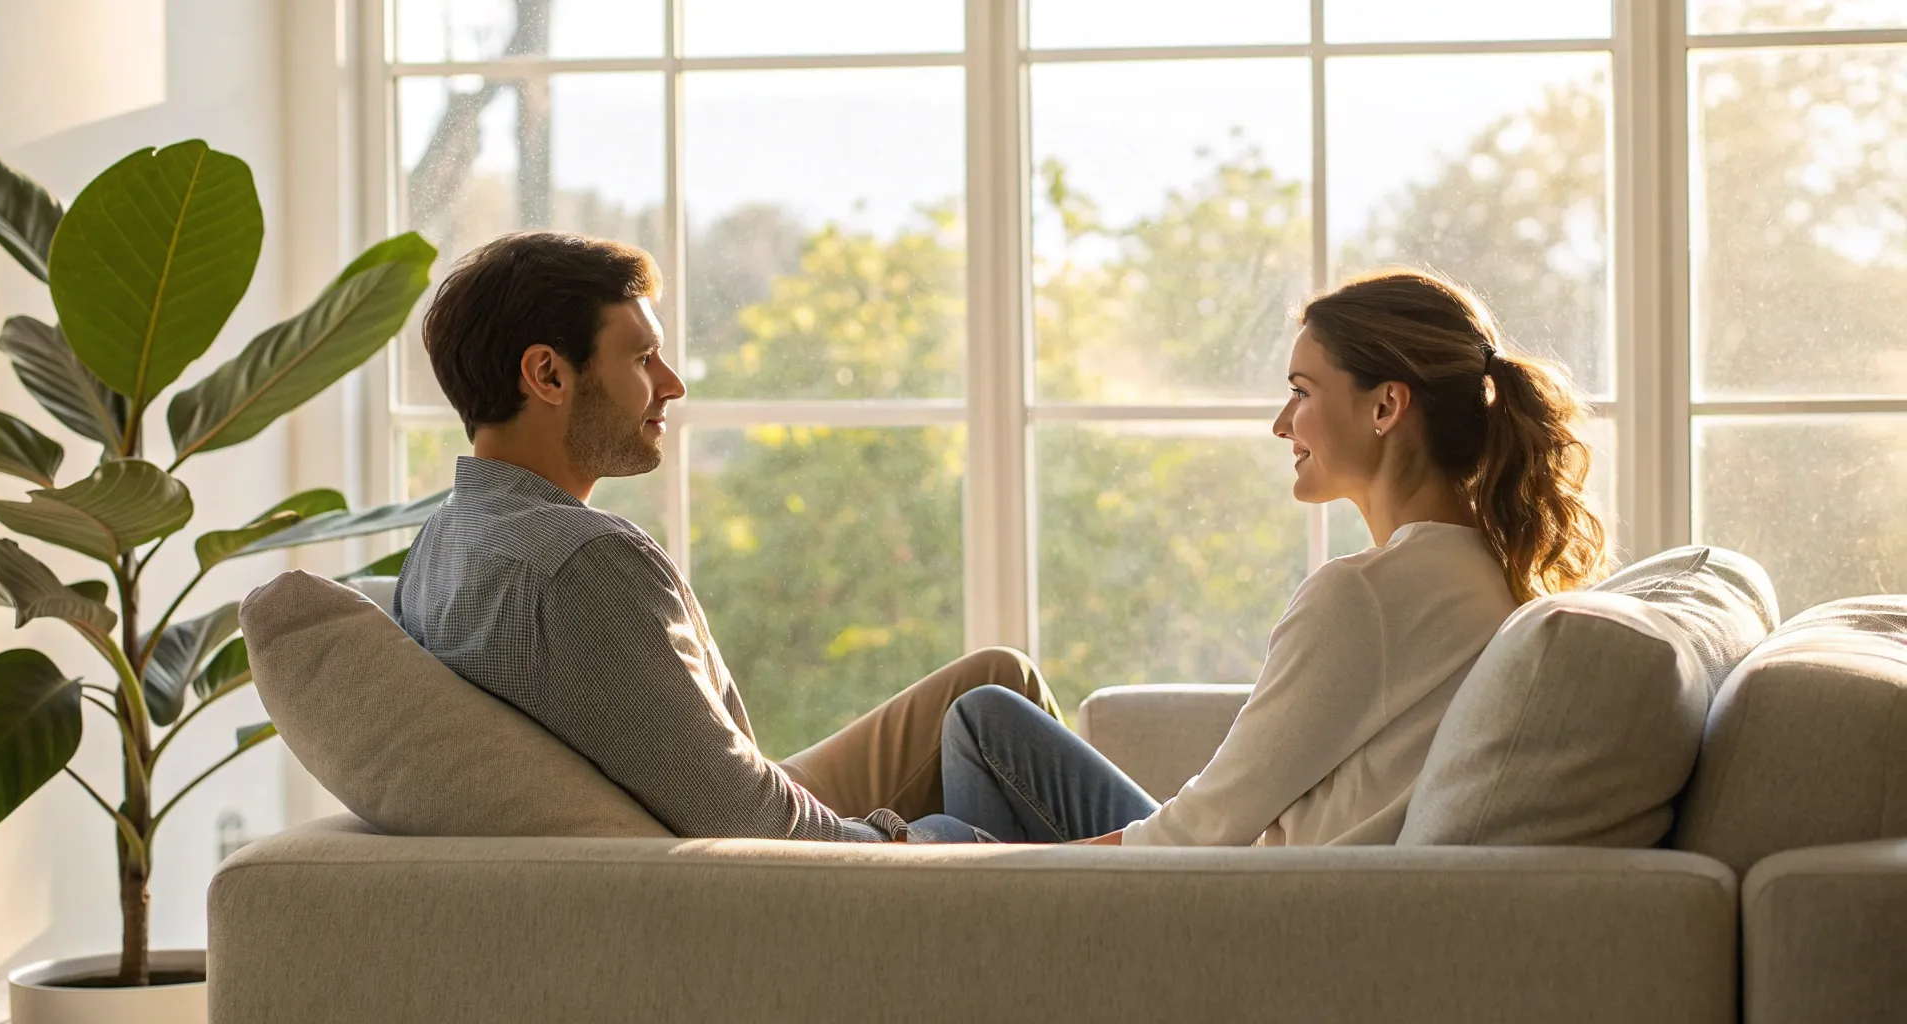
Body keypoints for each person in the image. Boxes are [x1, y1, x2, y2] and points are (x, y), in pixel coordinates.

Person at [393, 230, 1059, 844]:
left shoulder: (442, 539)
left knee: (997, 680)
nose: (672, 385)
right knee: (1005, 747)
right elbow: (749, 826)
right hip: (766, 855)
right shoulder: (585, 563)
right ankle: (1105, 888)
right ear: (548, 375)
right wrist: (914, 844)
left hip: (720, 800)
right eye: (643, 358)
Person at [940, 268, 1611, 846]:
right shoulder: (1494, 569)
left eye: (1302, 390)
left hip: (1244, 913)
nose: (1282, 423)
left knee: (941, 827)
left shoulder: (1364, 596)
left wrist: (1014, 873)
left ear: (1385, 406)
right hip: (1281, 887)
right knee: (984, 719)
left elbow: (1200, 834)